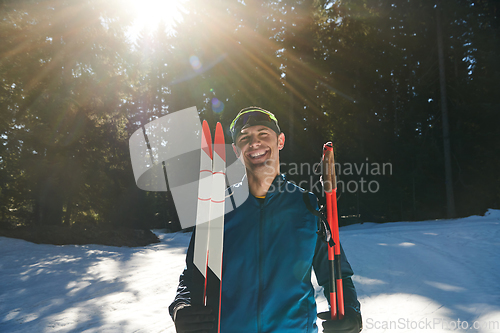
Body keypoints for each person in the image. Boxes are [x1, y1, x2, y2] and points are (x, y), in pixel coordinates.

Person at [169, 107, 362, 333]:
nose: (254, 143)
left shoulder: (308, 206)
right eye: (245, 138)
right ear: (235, 150)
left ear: (280, 141)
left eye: (263, 134)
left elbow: (335, 272)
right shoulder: (217, 209)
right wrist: (180, 308)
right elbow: (192, 276)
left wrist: (350, 311)